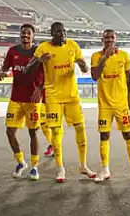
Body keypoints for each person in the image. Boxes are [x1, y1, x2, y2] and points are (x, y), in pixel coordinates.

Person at [27, 22, 96, 183]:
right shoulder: (44, 47)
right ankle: (60, 169)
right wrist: (39, 60)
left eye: (64, 31)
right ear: (52, 33)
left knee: (80, 128)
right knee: (56, 132)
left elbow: (85, 69)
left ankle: (83, 166)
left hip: (72, 96)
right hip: (53, 97)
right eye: (58, 31)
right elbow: (28, 67)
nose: (62, 34)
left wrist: (82, 64)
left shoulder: (73, 45)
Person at [0, 24, 53, 180]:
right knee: (10, 131)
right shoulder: (12, 51)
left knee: (33, 132)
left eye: (28, 33)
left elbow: (48, 74)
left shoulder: (39, 52)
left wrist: (40, 88)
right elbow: (5, 68)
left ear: (33, 36)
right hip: (15, 98)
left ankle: (34, 166)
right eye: (23, 33)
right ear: (20, 35)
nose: (25, 35)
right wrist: (2, 72)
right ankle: (21, 162)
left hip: (32, 100)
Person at [90, 29, 130, 182]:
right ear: (102, 39)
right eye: (106, 37)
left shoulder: (124, 56)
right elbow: (95, 76)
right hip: (105, 104)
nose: (109, 40)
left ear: (115, 39)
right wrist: (105, 57)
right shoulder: (96, 56)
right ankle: (105, 170)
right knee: (104, 135)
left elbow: (128, 77)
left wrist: (129, 97)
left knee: (128, 134)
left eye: (112, 37)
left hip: (121, 104)